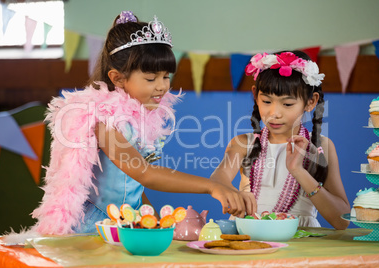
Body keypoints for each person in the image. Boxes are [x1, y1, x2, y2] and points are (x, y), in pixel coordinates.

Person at [28, 11, 256, 235]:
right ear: (117, 78)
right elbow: (144, 173)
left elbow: (132, 186)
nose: (162, 86)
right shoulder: (104, 121)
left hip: (131, 221)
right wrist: (212, 186)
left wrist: (154, 219)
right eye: (150, 78)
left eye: (166, 76)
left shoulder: (142, 118)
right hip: (97, 228)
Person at [210, 51, 350, 230]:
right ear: (255, 95)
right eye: (267, 101)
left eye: (287, 104)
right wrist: (231, 193)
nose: (275, 113)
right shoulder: (243, 143)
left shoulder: (321, 147)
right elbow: (218, 178)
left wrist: (299, 171)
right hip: (248, 236)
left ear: (310, 102)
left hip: (300, 244)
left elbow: (342, 221)